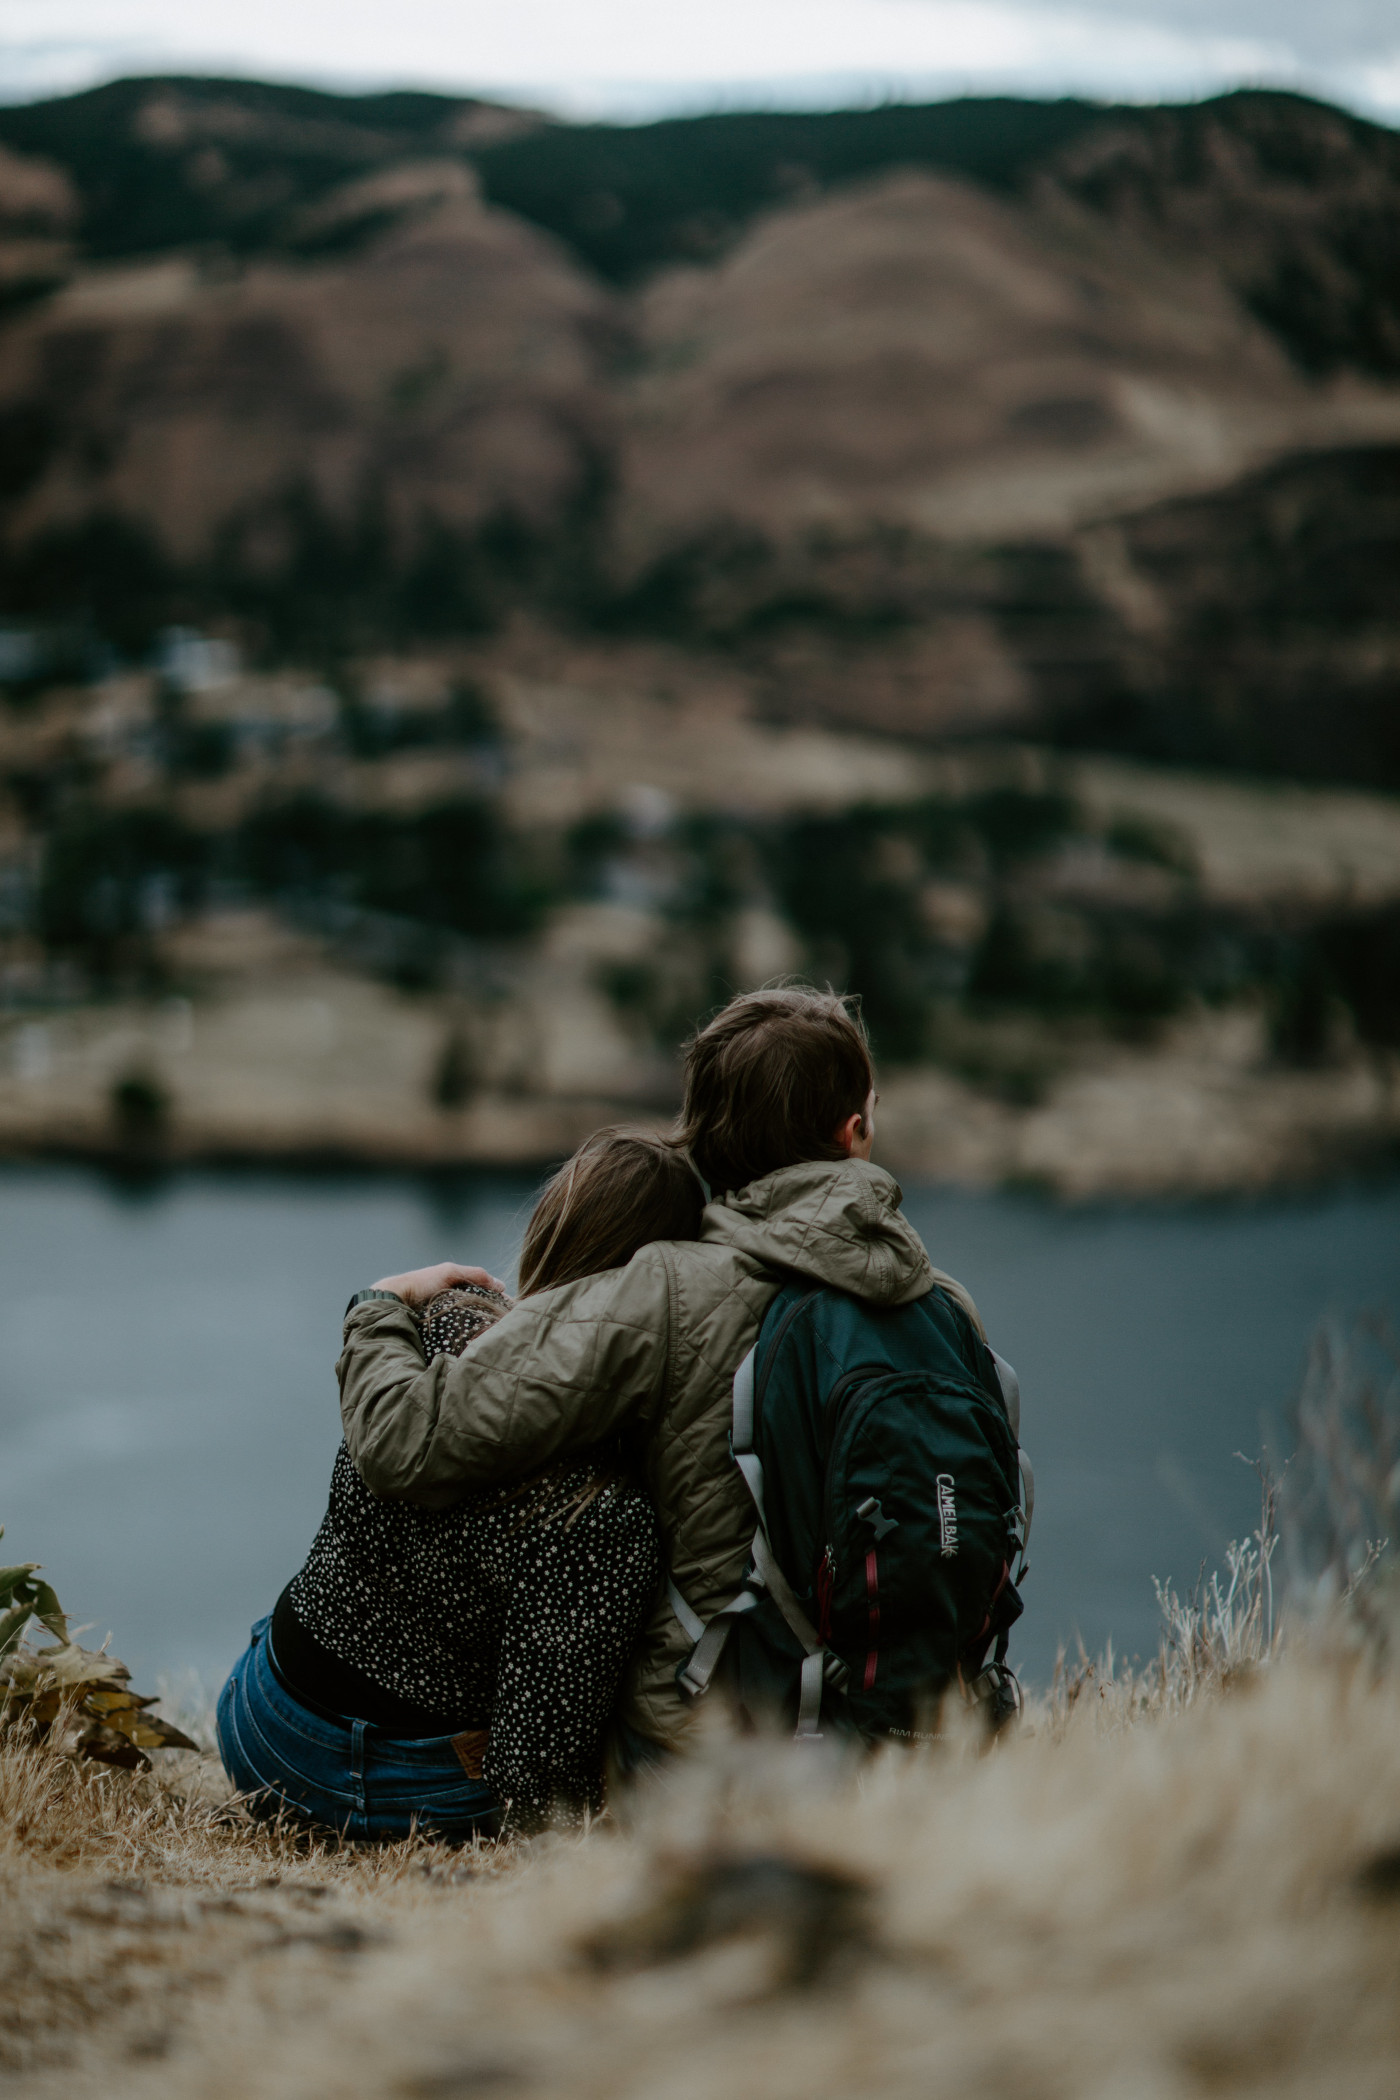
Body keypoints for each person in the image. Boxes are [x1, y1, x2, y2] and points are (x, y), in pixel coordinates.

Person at [337, 986, 986, 1766]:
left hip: (713, 1756)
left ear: (702, 1137)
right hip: (922, 1742)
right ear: (856, 1133)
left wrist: (377, 1308)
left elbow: (408, 1441)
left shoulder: (666, 1290)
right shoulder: (945, 1308)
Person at [216, 1130, 704, 1839]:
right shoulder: (607, 1505)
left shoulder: (441, 1319)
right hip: (381, 1785)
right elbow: (534, 1777)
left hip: (259, 1716)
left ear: (550, 1228)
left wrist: (381, 1298)